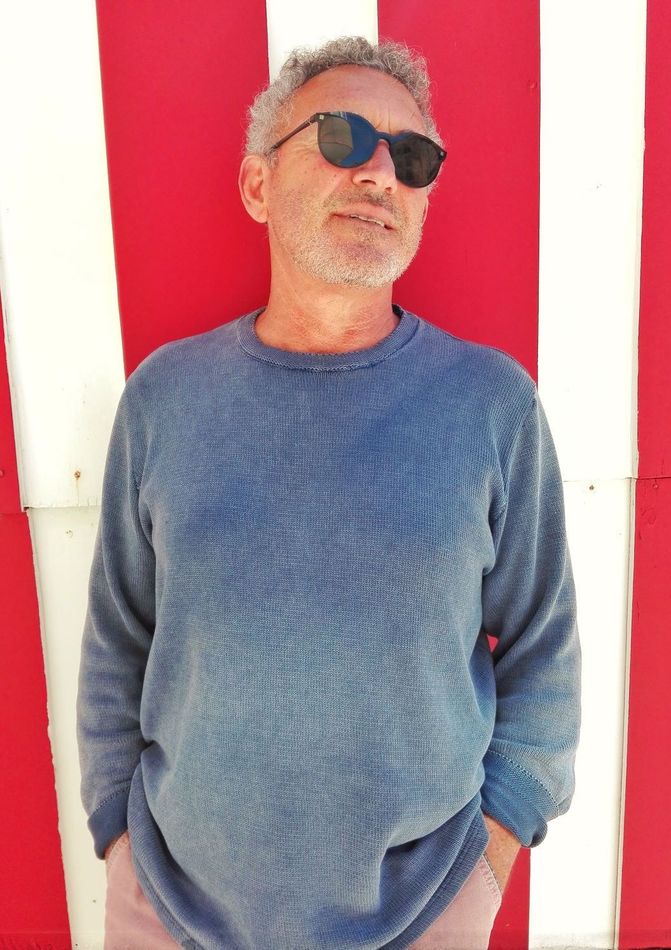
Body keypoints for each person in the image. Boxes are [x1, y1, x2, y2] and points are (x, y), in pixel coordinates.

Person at [77, 35, 581, 950]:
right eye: (343, 137)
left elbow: (542, 648)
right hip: (169, 907)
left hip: (424, 909)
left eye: (412, 157)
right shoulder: (165, 398)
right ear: (257, 184)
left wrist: (496, 848)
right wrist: (117, 830)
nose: (380, 174)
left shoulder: (490, 404)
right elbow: (120, 636)